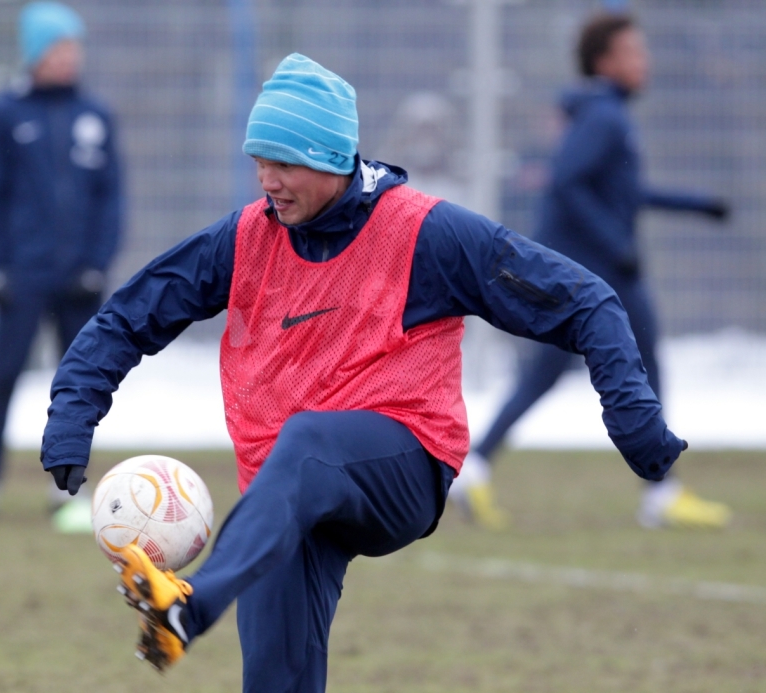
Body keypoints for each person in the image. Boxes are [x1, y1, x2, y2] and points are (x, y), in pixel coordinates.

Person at [41, 54, 687, 690]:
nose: (267, 179)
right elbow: (125, 317)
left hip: (403, 465)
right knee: (276, 679)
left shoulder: (427, 232)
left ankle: (190, 603)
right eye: (258, 161)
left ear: (330, 158)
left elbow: (585, 299)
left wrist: (633, 418)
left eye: (285, 162)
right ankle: (190, 605)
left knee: (307, 439)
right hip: (286, 495)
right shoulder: (240, 238)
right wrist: (71, 417)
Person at [450, 13, 732, 531]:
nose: (643, 62)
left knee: (544, 374)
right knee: (645, 366)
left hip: (592, 269)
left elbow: (619, 192)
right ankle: (661, 489)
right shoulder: (605, 117)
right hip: (601, 275)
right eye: (634, 52)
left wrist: (697, 205)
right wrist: (615, 247)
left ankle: (475, 466)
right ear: (605, 61)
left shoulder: (602, 115)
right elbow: (565, 184)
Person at [0, 1, 123, 520]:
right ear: (34, 53)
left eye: (74, 48)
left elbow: (110, 199)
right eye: (58, 47)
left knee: (78, 383)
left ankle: (67, 487)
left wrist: (98, 261)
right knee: (6, 375)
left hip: (78, 277)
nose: (68, 58)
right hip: (22, 275)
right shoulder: (5, 114)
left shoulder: (95, 116)